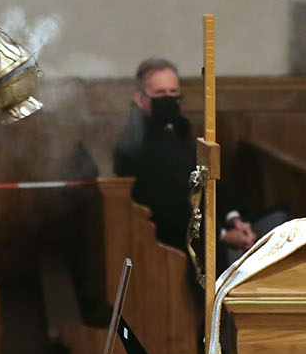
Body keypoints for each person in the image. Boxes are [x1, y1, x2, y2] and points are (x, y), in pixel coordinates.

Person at [112, 57, 262, 265]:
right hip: (175, 248)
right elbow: (166, 207)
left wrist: (233, 219)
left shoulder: (179, 132)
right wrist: (222, 235)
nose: (169, 98)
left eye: (173, 92)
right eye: (160, 93)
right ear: (140, 99)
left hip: (207, 231)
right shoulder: (134, 146)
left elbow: (207, 179)